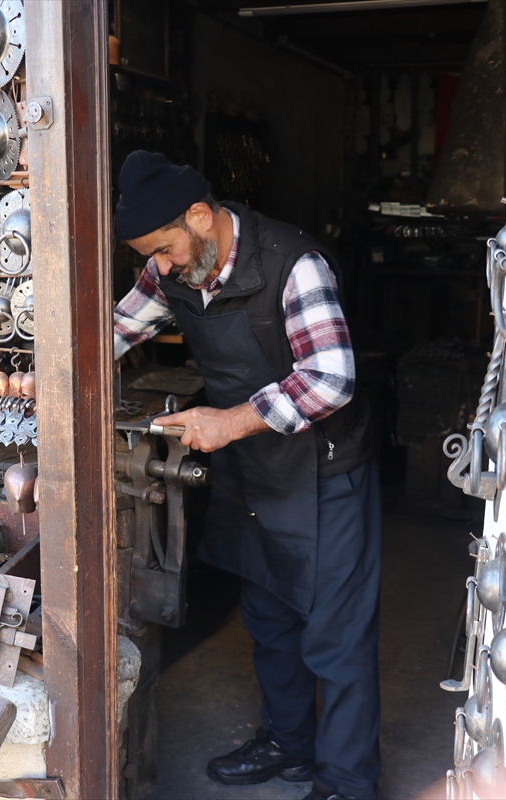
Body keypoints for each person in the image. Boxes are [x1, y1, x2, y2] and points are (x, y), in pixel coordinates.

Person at [113, 151, 382, 800]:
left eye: (167, 250)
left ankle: (348, 783)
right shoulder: (169, 269)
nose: (162, 268)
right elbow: (116, 328)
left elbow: (331, 378)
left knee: (336, 640)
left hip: (325, 472)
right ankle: (289, 744)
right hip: (252, 471)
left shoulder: (294, 265)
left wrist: (230, 423)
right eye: (152, 257)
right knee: (269, 615)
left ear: (201, 217)